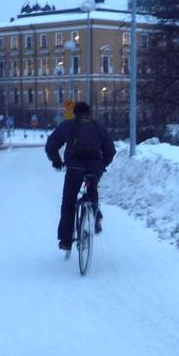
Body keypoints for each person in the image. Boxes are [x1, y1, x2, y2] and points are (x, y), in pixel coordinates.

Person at [45, 101, 116, 251]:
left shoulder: (68, 125)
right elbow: (110, 150)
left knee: (68, 202)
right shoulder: (98, 127)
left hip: (75, 168)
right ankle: (95, 216)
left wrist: (57, 161)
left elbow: (51, 145)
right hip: (94, 168)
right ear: (89, 113)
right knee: (92, 189)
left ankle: (65, 240)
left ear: (75, 113)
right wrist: (102, 166)